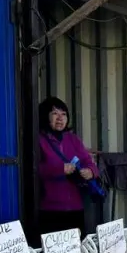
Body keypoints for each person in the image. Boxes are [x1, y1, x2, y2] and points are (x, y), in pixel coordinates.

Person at [37, 97, 99, 237]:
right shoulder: (38, 140)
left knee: (75, 251)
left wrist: (90, 171)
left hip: (75, 207)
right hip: (50, 209)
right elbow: (34, 170)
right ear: (45, 116)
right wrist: (60, 168)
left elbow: (88, 162)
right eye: (55, 114)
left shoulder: (73, 139)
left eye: (63, 114)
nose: (60, 118)